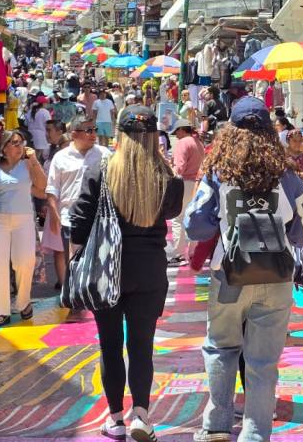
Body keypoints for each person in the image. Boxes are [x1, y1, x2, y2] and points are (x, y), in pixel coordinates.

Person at [185, 97, 303, 442]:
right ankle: (256, 433)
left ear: (230, 131)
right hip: (276, 276)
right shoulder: (286, 175)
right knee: (263, 360)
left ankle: (216, 425)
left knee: (221, 347)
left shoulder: (218, 174)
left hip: (228, 274)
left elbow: (195, 226)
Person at [71, 105, 183, 442]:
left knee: (110, 345)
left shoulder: (101, 171)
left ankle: (116, 417)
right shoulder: (167, 178)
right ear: (154, 137)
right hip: (149, 271)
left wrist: (79, 258)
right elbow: (173, 210)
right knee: (141, 346)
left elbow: (78, 220)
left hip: (108, 269)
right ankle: (142, 415)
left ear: (119, 134)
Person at [0, 130, 47, 327]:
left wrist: (33, 159)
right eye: (15, 143)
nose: (20, 146)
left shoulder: (27, 165)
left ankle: (23, 301)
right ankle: (0, 310)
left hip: (24, 219)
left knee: (25, 261)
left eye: (21, 142)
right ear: (4, 148)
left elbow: (42, 185)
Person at [46, 116, 110, 292]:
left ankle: (98, 297)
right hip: (70, 219)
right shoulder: (60, 157)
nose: (93, 134)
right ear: (74, 134)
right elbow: (52, 189)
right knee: (74, 262)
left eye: (94, 129)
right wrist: (54, 215)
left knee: (99, 261)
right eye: (88, 130)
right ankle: (75, 300)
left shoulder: (104, 154)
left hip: (99, 218)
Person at [168, 121, 205, 266]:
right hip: (198, 183)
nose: (176, 136)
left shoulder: (183, 143)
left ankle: (178, 254)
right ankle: (193, 250)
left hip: (183, 183)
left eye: (177, 132)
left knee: (178, 217)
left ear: (182, 130)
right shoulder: (198, 143)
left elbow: (179, 168)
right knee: (192, 217)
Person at [25, 95, 52, 164]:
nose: (46, 104)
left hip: (30, 134)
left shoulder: (30, 111)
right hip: (40, 136)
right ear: (43, 103)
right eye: (46, 103)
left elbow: (26, 123)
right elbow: (49, 124)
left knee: (31, 153)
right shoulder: (45, 112)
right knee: (37, 155)